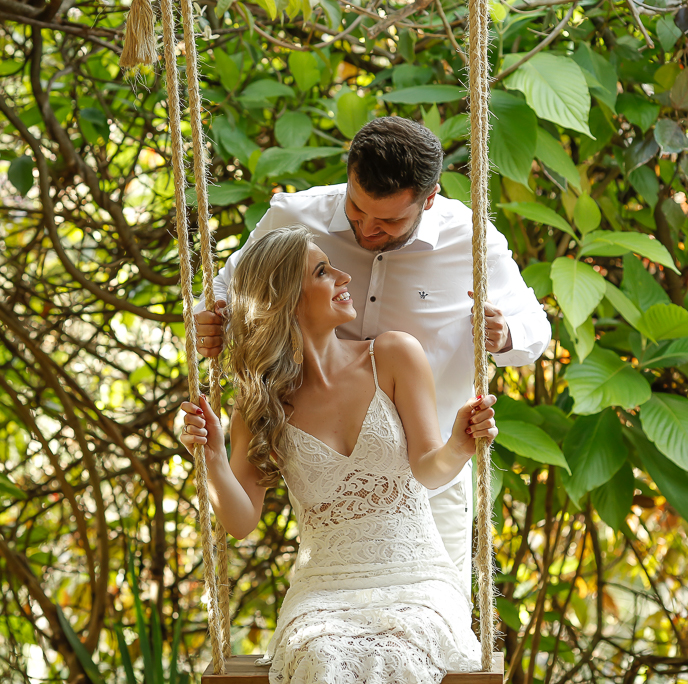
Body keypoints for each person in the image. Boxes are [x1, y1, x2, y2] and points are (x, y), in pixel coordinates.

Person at [194, 116, 550, 595]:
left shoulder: (471, 240)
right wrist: (209, 319)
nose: (366, 229)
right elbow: (231, 289)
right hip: (326, 506)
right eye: (357, 209)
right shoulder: (296, 219)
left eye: (389, 221)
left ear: (429, 198)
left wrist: (505, 333)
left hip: (433, 480)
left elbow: (536, 329)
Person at [180, 225, 497, 683]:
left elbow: (430, 469)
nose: (345, 276)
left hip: (416, 579)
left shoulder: (392, 354)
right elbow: (241, 520)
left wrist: (459, 444)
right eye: (323, 272)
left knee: (399, 651)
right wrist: (210, 456)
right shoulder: (259, 401)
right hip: (323, 591)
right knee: (323, 657)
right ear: (284, 298)